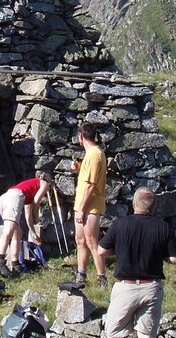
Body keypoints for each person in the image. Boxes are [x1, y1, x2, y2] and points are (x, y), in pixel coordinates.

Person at [98, 187, 176, 338]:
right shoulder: (163, 227)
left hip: (126, 287)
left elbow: (102, 251)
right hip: (151, 287)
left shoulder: (119, 224)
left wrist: (120, 250)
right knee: (147, 334)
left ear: (134, 203)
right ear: (154, 206)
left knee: (116, 332)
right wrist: (160, 255)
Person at [0, 172, 52, 277]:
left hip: (4, 199)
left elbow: (28, 217)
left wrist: (33, 233)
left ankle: (16, 266)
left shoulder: (29, 189)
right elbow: (36, 201)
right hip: (13, 198)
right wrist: (37, 217)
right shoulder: (44, 184)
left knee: (18, 233)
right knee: (8, 231)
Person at [73, 122, 108, 288]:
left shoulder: (94, 155)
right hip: (83, 205)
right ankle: (81, 274)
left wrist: (82, 209)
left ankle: (102, 277)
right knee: (80, 240)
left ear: (81, 136)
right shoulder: (91, 154)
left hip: (90, 206)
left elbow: (92, 184)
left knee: (92, 241)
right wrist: (80, 169)